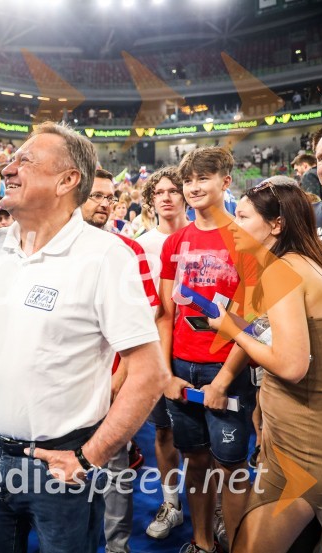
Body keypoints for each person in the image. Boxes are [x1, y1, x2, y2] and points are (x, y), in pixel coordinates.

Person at [0, 122, 166, 553]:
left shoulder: (107, 257)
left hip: (61, 463)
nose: (7, 169)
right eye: (10, 159)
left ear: (67, 180)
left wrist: (90, 457)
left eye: (24, 160)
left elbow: (149, 372)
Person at [206, 176, 322, 553]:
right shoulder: (304, 262)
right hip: (298, 430)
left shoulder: (281, 271)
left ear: (275, 224)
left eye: (242, 216)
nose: (233, 224)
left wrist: (231, 328)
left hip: (303, 442)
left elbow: (292, 365)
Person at [157, 147, 257, 553]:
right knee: (194, 462)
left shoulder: (247, 242)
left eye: (203, 178)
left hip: (227, 371)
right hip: (182, 369)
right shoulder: (175, 243)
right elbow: (165, 316)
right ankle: (201, 542)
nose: (194, 187)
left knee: (232, 468)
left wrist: (223, 380)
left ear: (225, 182)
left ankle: (236, 544)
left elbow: (251, 323)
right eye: (189, 181)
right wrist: (165, 373)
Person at [81, 167, 161, 553]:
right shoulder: (48, 251)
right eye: (96, 195)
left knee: (115, 472)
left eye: (109, 197)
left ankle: (116, 547)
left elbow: (146, 328)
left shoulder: (129, 251)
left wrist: (118, 384)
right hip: (65, 389)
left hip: (113, 385)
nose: (105, 203)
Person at [136, 166, 190, 540]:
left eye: (174, 190)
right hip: (156, 352)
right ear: (151, 201)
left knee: (205, 442)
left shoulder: (205, 237)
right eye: (159, 192)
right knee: (164, 433)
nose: (167, 197)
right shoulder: (140, 244)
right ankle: (172, 503)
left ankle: (214, 508)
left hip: (200, 352)